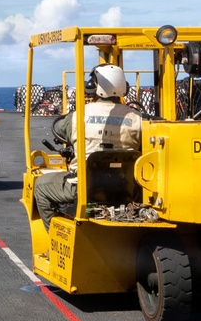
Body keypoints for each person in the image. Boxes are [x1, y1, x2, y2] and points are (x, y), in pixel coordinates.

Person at [34, 64, 142, 225]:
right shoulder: (138, 118)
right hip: (127, 188)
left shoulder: (78, 116)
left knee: (40, 186)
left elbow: (59, 129)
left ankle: (53, 234)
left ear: (93, 86)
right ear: (124, 87)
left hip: (84, 186)